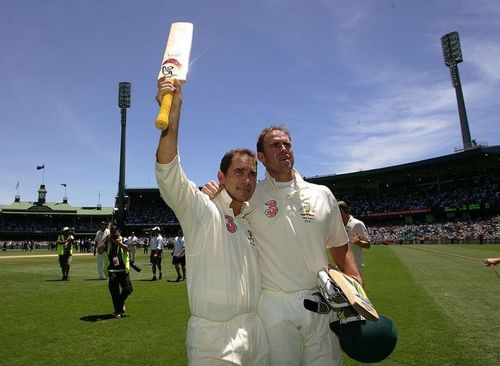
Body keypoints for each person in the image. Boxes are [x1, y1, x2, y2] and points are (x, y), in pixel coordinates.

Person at [204, 125, 362, 365]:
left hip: (321, 303)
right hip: (274, 310)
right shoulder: (251, 195)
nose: (283, 149)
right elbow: (223, 214)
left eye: (287, 144)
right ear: (262, 157)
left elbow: (339, 244)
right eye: (275, 145)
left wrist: (354, 277)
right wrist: (214, 195)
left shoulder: (322, 194)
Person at [155, 79, 269, 365]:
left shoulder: (248, 218)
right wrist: (172, 113)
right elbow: (169, 174)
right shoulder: (202, 211)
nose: (247, 180)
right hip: (215, 338)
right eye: (239, 172)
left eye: (253, 174)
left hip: (256, 330)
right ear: (221, 177)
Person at [97, 224, 133, 319]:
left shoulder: (124, 239)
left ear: (119, 231)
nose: (114, 232)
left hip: (123, 269)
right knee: (114, 292)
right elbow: (100, 251)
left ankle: (120, 303)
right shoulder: (107, 241)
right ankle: (118, 311)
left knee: (128, 289)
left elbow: (127, 248)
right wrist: (105, 241)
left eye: (116, 230)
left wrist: (116, 242)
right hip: (112, 269)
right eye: (112, 230)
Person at [338, 200, 371, 273]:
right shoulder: (338, 225)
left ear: (341, 211)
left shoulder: (357, 224)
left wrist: (358, 242)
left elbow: (368, 244)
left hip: (355, 265)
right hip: (342, 264)